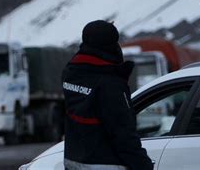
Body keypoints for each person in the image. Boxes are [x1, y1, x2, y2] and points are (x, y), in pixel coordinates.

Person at [62, 20, 153, 170]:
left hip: (74, 161)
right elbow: (123, 134)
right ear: (111, 45)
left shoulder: (70, 74)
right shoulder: (110, 84)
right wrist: (143, 165)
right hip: (106, 164)